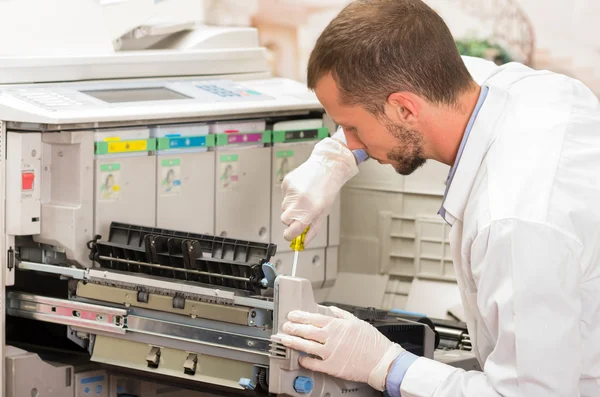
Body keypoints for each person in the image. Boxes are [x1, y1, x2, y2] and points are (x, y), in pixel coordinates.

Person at [277, 0, 600, 396]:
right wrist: (336, 155)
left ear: (404, 108)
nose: (351, 140)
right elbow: (441, 69)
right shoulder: (535, 90)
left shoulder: (513, 223)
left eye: (351, 127)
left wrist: (387, 365)